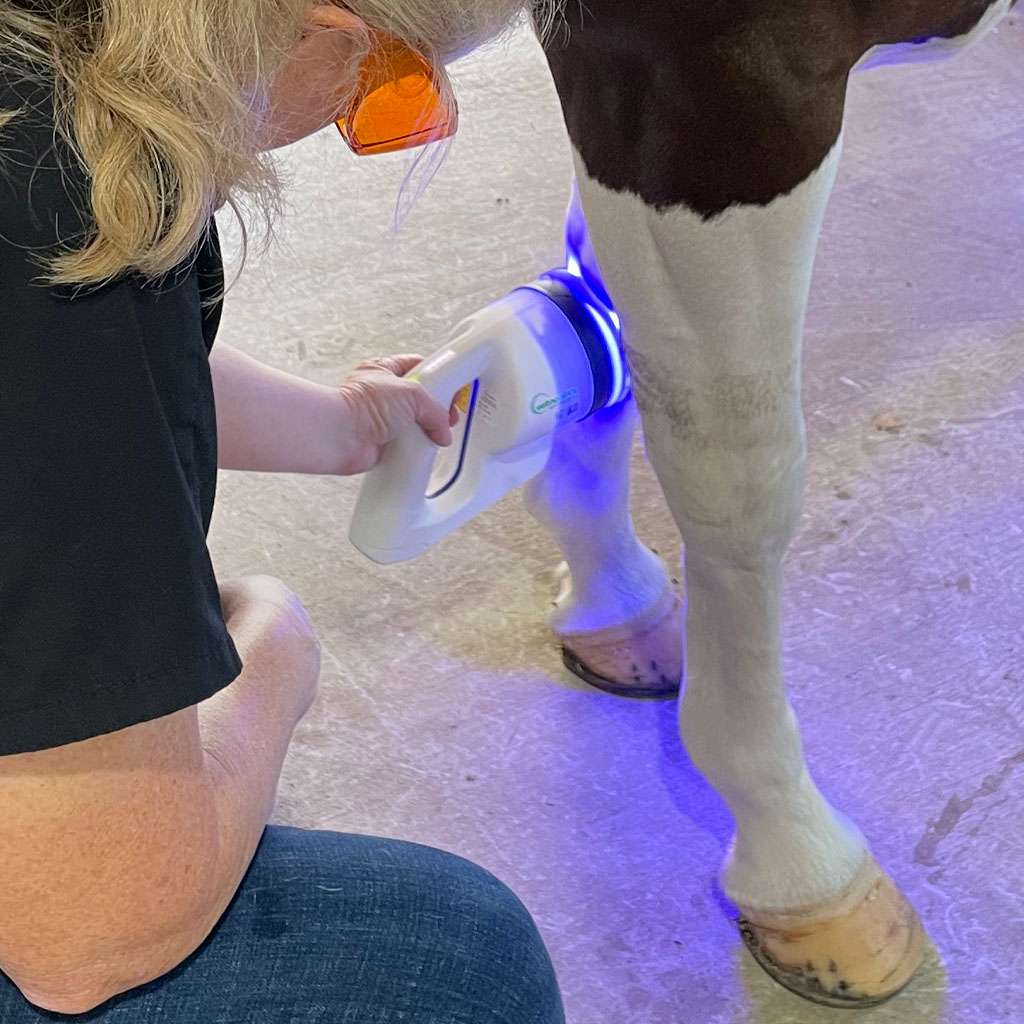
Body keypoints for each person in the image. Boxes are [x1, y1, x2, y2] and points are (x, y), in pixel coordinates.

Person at [0, 1, 566, 1020]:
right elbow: (88, 935)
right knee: (460, 964)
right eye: (394, 82)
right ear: (321, 19)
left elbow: (88, 386)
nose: (373, 122)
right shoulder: (42, 199)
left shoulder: (66, 64)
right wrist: (277, 651)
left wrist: (343, 428)